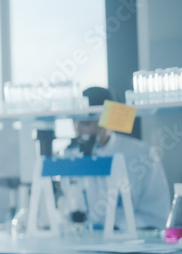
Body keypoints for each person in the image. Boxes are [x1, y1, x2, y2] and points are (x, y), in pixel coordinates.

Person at [69, 86, 171, 229]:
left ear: (108, 122)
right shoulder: (72, 158)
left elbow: (156, 216)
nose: (77, 129)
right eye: (74, 121)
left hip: (130, 243)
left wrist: (116, 226)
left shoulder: (142, 155)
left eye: (86, 123)